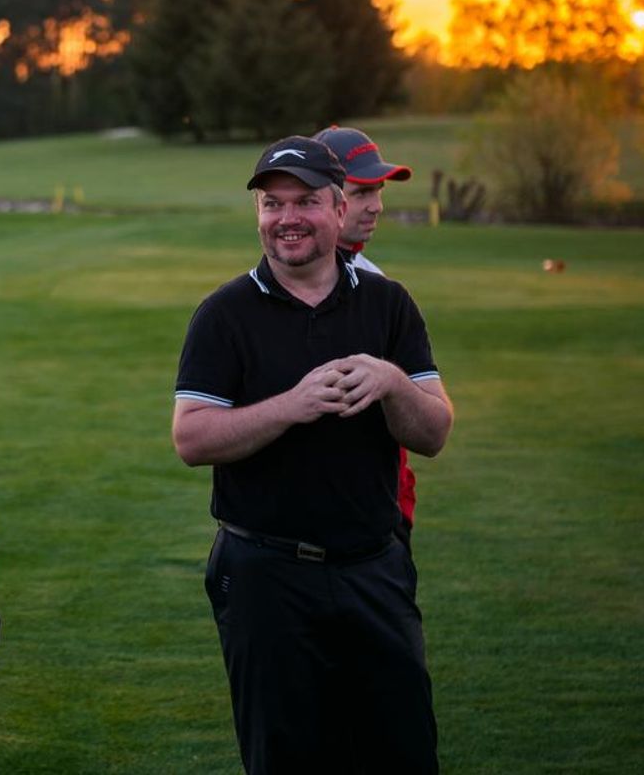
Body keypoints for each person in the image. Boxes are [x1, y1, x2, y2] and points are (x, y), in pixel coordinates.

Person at [172, 135, 453, 774]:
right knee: (286, 758)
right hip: (266, 577)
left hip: (374, 569)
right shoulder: (224, 314)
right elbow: (191, 439)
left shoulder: (388, 304)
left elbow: (434, 433)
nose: (287, 218)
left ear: (336, 209)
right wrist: (292, 405)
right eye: (272, 204)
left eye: (304, 202)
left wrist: (391, 382)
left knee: (403, 750)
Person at [315, 125, 420, 538]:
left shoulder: (377, 284)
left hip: (381, 513)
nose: (376, 206)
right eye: (361, 193)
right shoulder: (286, 285)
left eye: (378, 191)